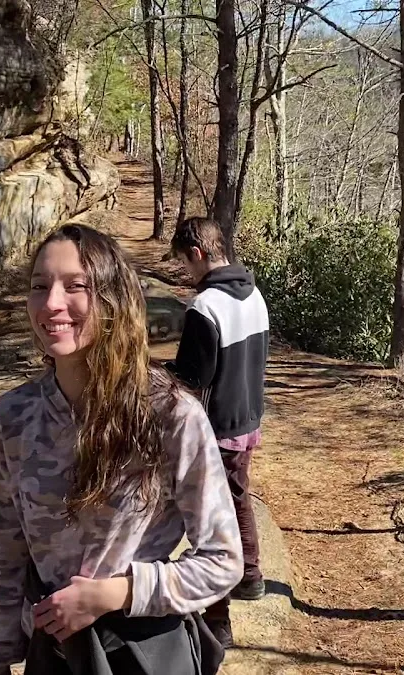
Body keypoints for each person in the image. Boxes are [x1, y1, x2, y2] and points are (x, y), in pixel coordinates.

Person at [0, 224, 243, 675]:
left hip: (143, 652)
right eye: (39, 286)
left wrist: (112, 594)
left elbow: (223, 561)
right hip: (55, 654)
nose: (51, 303)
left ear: (112, 299)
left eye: (75, 286)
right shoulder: (14, 415)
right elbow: (6, 552)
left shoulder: (169, 414)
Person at [165, 217, 271, 648]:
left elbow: (194, 376)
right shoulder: (254, 293)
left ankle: (218, 619)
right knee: (238, 496)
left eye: (184, 264)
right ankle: (251, 576)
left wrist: (159, 372)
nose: (186, 273)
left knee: (209, 518)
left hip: (214, 427)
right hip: (248, 418)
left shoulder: (205, 306)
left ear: (197, 254)